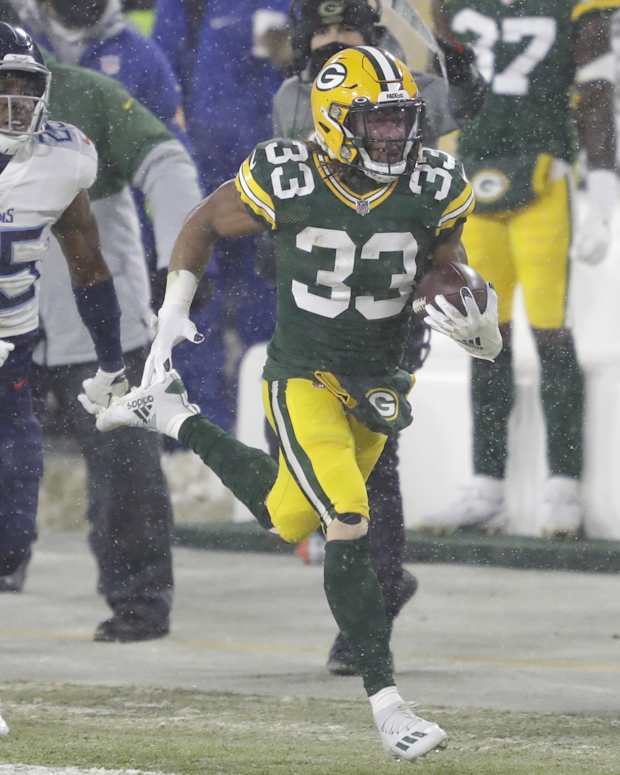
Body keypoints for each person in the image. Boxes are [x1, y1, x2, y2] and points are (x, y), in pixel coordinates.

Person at [87, 45, 502, 761]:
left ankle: (174, 415)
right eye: (377, 123)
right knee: (348, 517)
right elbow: (202, 222)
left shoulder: (434, 182)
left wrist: (473, 313)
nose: (394, 137)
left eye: (401, 121)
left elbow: (443, 265)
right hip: (303, 375)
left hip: (379, 382)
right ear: (335, 122)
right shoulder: (289, 174)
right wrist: (173, 312)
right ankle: (388, 704)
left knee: (289, 515)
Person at [271, 0, 487, 676]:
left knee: (375, 456)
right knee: (297, 449)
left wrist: (460, 64)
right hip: (318, 297)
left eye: (348, 33)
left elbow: (466, 105)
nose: (333, 45)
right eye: (322, 35)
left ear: (374, 37)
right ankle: (373, 575)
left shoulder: (409, 92)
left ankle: (374, 602)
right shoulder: (292, 98)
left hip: (391, 293)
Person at [423, 0, 620, 537]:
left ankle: (564, 485)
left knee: (552, 332)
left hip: (544, 177)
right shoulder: (452, 6)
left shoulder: (574, 8)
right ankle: (486, 486)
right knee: (485, 337)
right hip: (474, 176)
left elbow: (596, 94)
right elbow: (433, 91)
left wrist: (603, 190)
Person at [0, 23, 127, 590]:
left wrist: (111, 361)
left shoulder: (61, 159)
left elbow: (89, 265)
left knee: (9, 535)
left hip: (11, 350)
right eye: (4, 86)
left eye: (26, 86)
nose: (17, 102)